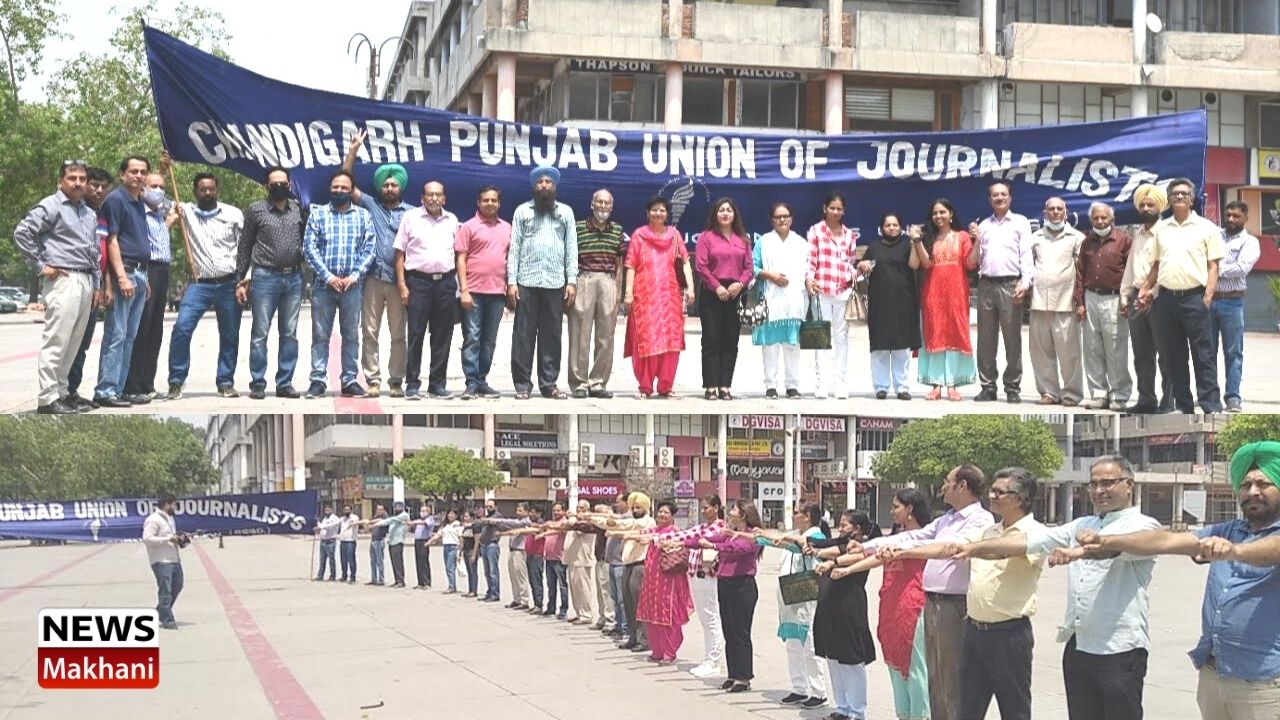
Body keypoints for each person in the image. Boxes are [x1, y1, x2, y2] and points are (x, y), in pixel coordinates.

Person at [1077, 440, 1280, 720]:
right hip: (1215, 675)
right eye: (1246, 485)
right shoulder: (1230, 529)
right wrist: (1107, 540)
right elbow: (1166, 540)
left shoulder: (1241, 541)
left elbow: (1272, 549)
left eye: (1263, 484)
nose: (1253, 491)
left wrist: (1235, 551)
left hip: (1266, 683)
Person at [960, 456, 1161, 720]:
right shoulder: (1081, 525)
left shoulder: (1143, 525)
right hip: (1079, 644)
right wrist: (971, 548)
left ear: (1129, 485)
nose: (1099, 490)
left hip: (1119, 648)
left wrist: (1083, 550)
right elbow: (1027, 542)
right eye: (1094, 484)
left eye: (1108, 483)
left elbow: (1123, 546)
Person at [883, 469, 1046, 720]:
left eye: (1000, 492)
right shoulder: (989, 531)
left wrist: (971, 548)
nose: (992, 496)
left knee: (1014, 709)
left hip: (1009, 634)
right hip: (974, 630)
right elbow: (950, 547)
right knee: (966, 707)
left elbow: (1005, 550)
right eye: (992, 490)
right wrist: (900, 551)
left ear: (1020, 498)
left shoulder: (1035, 532)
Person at [858, 464, 995, 720]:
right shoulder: (947, 519)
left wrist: (903, 552)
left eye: (947, 481)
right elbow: (915, 537)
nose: (943, 486)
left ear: (962, 486)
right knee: (935, 680)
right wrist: (868, 546)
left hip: (954, 605)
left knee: (951, 678)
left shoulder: (980, 519)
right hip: (932, 603)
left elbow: (948, 548)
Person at [12, 160, 100, 414]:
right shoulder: (51, 205)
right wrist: (41, 266)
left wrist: (96, 284)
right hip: (64, 278)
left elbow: (93, 252)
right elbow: (22, 233)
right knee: (57, 341)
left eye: (82, 178)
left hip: (85, 280)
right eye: (72, 178)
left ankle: (62, 393)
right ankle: (47, 398)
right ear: (60, 181)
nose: (78, 183)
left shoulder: (88, 213)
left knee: (73, 343)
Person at [1135, 177, 1224, 413]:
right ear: (1169, 200)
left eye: (1184, 193)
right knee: (1174, 356)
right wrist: (1146, 289)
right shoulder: (1162, 229)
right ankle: (1184, 406)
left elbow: (1213, 266)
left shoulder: (1207, 228)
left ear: (1192, 199)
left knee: (1203, 355)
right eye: (1175, 194)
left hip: (1195, 299)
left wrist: (1207, 297)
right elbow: (1156, 265)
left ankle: (1211, 405)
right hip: (1166, 300)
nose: (1180, 197)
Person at [344, 131, 413, 398]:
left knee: (398, 334)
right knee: (370, 332)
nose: (390, 188)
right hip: (372, 278)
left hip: (399, 281)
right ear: (380, 188)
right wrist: (353, 151)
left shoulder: (412, 213)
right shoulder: (370, 204)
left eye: (394, 185)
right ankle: (372, 380)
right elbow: (345, 184)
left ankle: (396, 381)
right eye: (386, 185)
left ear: (401, 187)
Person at [166, 172, 245, 399]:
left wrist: (244, 280)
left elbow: (244, 250)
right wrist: (163, 167)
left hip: (229, 283)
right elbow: (154, 195)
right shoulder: (185, 210)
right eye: (203, 189)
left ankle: (225, 382)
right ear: (195, 192)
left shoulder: (233, 214)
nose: (207, 193)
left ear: (217, 190)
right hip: (199, 284)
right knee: (182, 328)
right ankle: (176, 380)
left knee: (229, 335)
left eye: (211, 189)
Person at [303, 169, 375, 399]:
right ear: (329, 189)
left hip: (352, 286)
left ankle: (349, 380)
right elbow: (309, 248)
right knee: (320, 335)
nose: (339, 191)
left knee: (351, 335)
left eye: (344, 187)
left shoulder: (363, 216)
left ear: (351, 190)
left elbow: (369, 249)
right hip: (324, 286)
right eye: (335, 187)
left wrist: (354, 276)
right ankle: (317, 381)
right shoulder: (318, 215)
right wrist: (328, 277)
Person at [508, 165, 578, 399]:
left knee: (552, 336)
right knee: (523, 336)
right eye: (540, 182)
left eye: (548, 182)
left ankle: (549, 385)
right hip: (526, 281)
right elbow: (514, 248)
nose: (544, 185)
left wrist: (571, 281)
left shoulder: (565, 212)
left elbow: (571, 248)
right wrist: (512, 282)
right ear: (534, 186)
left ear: (555, 187)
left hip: (555, 282)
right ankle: (522, 385)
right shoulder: (522, 211)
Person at [236, 165, 306, 400]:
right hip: (265, 277)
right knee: (260, 332)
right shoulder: (255, 210)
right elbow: (245, 246)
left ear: (289, 185)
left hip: (294, 278)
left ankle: (284, 383)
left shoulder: (298, 209)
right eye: (274, 183)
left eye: (282, 183)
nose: (278, 187)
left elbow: (306, 240)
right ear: (266, 185)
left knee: (289, 333)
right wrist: (241, 279)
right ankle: (258, 382)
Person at [755, 504, 830, 709]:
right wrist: (754, 535)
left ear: (807, 516)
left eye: (797, 513)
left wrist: (772, 537)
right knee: (793, 645)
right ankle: (799, 688)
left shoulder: (816, 537)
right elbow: (776, 541)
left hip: (807, 598)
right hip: (791, 596)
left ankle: (819, 691)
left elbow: (794, 546)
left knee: (810, 645)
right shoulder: (796, 535)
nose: (793, 515)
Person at [93, 156, 154, 408]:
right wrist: (120, 277)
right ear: (122, 174)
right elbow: (112, 241)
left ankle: (119, 389)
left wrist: (144, 277)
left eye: (143, 172)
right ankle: (105, 390)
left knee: (129, 336)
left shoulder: (139, 202)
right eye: (133, 171)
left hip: (140, 274)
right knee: (116, 335)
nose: (139, 176)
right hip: (125, 273)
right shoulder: (116, 200)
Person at [809, 511, 883, 720]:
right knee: (833, 658)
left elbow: (852, 555)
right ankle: (843, 708)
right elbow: (821, 544)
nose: (840, 529)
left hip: (849, 608)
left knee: (851, 661)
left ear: (857, 528)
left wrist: (831, 561)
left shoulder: (862, 546)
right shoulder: (841, 542)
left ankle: (857, 711)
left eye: (844, 525)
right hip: (829, 609)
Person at [970, 181, 1035, 403]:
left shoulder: (1020, 222)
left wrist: (1025, 282)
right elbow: (976, 259)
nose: (999, 198)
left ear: (1010, 198)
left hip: (1011, 285)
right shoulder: (983, 226)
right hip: (986, 285)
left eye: (1003, 194)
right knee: (985, 339)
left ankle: (1012, 386)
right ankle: (988, 386)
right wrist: (976, 239)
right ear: (990, 200)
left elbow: (1026, 255)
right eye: (995, 195)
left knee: (1012, 339)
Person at [623, 196, 694, 398]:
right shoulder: (639, 235)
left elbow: (685, 262)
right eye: (654, 210)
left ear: (667, 214)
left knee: (671, 340)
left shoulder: (674, 235)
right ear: (648, 213)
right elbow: (631, 265)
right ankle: (645, 387)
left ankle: (666, 386)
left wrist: (690, 287)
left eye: (662, 210)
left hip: (670, 297)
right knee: (647, 340)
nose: (658, 213)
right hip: (644, 296)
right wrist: (628, 293)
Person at [394, 181, 460, 399]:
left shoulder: (452, 220)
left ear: (444, 198)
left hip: (446, 283)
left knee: (443, 335)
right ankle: (412, 384)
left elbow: (459, 254)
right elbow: (399, 253)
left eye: (438, 195)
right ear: (422, 198)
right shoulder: (411, 218)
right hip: (418, 283)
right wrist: (402, 285)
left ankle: (437, 385)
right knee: (416, 333)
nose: (434, 198)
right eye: (430, 195)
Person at [910, 199, 979, 401]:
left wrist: (978, 241)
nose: (938, 216)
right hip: (933, 295)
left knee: (955, 335)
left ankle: (953, 384)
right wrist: (917, 241)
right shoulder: (929, 237)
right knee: (935, 334)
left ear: (951, 214)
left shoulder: (962, 236)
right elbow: (926, 264)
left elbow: (970, 263)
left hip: (957, 294)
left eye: (942, 212)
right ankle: (936, 384)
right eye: (935, 213)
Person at [695, 498, 762, 694]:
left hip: (743, 586)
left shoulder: (752, 535)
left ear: (743, 514)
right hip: (725, 584)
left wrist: (712, 546)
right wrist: (680, 542)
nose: (730, 511)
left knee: (741, 632)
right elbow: (708, 540)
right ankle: (733, 674)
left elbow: (739, 549)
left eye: (734, 508)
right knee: (729, 631)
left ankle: (744, 677)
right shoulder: (729, 533)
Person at [656, 494, 727, 678]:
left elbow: (695, 539)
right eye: (702, 508)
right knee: (705, 620)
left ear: (716, 508)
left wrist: (677, 541)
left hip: (708, 576)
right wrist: (668, 539)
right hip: (696, 575)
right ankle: (709, 658)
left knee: (711, 618)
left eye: (706, 508)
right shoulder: (703, 526)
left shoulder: (720, 527)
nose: (703, 511)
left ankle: (713, 660)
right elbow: (685, 534)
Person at [124, 165, 177, 403]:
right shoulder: (138, 212)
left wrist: (165, 169)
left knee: (155, 330)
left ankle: (148, 382)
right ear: (143, 188)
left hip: (163, 271)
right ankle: (132, 383)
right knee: (142, 328)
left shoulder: (159, 214)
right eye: (153, 186)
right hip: (147, 269)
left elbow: (172, 205)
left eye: (162, 187)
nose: (158, 190)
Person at [1120, 184, 1174, 413]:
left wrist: (1151, 293)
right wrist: (1125, 297)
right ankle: (1146, 400)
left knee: (1167, 354)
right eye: (1142, 205)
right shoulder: (1139, 234)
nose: (1145, 208)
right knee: (1142, 354)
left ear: (1160, 207)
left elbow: (1167, 268)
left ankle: (1168, 401)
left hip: (1160, 298)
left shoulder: (1168, 232)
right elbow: (1130, 268)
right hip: (1136, 298)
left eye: (1150, 204)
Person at [568, 189, 627, 398]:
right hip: (584, 278)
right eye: (599, 202)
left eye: (607, 203)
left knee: (606, 336)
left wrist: (618, 292)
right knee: (579, 334)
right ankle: (579, 383)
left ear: (612, 207)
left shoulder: (617, 230)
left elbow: (620, 264)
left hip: (608, 281)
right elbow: (570, 258)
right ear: (592, 204)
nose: (603, 206)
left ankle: (598, 382)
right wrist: (570, 284)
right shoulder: (578, 227)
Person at [1075, 201, 1133, 410]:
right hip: (1091, 297)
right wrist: (1080, 302)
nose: (1100, 221)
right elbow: (1080, 273)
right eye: (1096, 218)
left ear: (1112, 219)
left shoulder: (1124, 241)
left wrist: (1127, 299)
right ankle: (1098, 394)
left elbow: (1131, 272)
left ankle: (1119, 395)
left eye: (1104, 217)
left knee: (1115, 349)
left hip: (1114, 300)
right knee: (1092, 349)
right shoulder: (1087, 242)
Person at [694, 197, 753, 400]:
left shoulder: (743, 239)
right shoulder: (706, 237)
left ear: (734, 214)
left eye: (729, 210)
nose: (725, 213)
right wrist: (717, 286)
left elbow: (749, 268)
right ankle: (711, 385)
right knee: (711, 339)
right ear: (715, 214)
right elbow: (701, 266)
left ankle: (725, 385)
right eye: (721, 210)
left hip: (735, 293)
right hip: (712, 293)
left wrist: (740, 284)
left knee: (730, 340)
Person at [1028, 196, 1085, 407]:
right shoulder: (1035, 238)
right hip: (1039, 303)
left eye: (1059, 209)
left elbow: (1082, 271)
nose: (1055, 212)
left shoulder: (1077, 237)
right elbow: (1027, 267)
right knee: (1040, 353)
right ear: (1044, 213)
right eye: (1051, 209)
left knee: (1069, 353)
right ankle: (1049, 392)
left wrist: (1080, 301)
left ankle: (1071, 394)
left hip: (1065, 303)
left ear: (1066, 212)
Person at [454, 185, 510, 399]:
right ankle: (471, 383)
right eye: (485, 200)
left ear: (499, 203)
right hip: (473, 292)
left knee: (489, 340)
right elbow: (461, 260)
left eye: (494, 200)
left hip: (497, 293)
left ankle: (481, 380)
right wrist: (464, 290)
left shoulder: (507, 228)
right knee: (472, 338)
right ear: (478, 202)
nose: (490, 203)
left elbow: (510, 260)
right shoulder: (468, 227)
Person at [65, 167, 114, 411]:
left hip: (94, 286)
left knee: (83, 343)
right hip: (72, 282)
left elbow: (102, 255)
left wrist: (104, 286)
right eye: (94, 184)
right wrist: (44, 266)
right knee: (66, 342)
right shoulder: (73, 211)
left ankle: (71, 391)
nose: (99, 190)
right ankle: (59, 393)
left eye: (104, 186)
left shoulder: (101, 215)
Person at [859, 212, 921, 401]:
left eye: (895, 225)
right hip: (879, 303)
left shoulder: (907, 244)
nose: (891, 228)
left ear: (901, 227)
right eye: (888, 225)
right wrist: (862, 264)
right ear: (881, 228)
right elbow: (862, 266)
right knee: (880, 347)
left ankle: (902, 387)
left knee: (902, 348)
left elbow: (914, 264)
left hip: (904, 302)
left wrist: (914, 243)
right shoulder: (874, 246)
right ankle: (881, 387)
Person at [754, 202, 810, 399]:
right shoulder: (763, 242)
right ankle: (770, 385)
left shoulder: (801, 243)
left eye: (785, 216)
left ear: (791, 219)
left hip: (795, 301)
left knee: (792, 345)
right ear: (772, 220)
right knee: (770, 346)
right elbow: (753, 267)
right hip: (771, 301)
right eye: (778, 217)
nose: (782, 219)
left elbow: (809, 269)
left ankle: (792, 386)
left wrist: (810, 281)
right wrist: (771, 276)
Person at [805, 194, 857, 399]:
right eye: (832, 208)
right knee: (820, 337)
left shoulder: (850, 234)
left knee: (841, 337)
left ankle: (841, 384)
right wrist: (809, 279)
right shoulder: (815, 230)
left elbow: (850, 261)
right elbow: (811, 260)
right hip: (821, 289)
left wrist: (854, 275)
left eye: (839, 209)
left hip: (843, 290)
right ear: (824, 208)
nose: (835, 212)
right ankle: (821, 384)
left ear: (844, 211)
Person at [590, 492, 656, 651]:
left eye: (638, 507)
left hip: (639, 565)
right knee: (628, 603)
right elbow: (619, 525)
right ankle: (632, 637)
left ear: (645, 507)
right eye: (633, 507)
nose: (635, 510)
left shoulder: (647, 521)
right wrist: (593, 518)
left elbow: (627, 525)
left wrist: (612, 526)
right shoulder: (633, 521)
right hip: (627, 565)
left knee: (639, 604)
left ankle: (644, 640)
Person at [1211, 201, 1260, 413]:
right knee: (1206, 352)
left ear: (1245, 218)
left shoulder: (1250, 242)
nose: (1230, 219)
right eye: (1228, 215)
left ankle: (1232, 397)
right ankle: (1210, 396)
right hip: (1208, 300)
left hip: (1232, 302)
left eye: (1236, 216)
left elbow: (1241, 268)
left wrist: (1213, 269)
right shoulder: (1214, 236)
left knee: (1233, 352)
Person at [631, 499, 693, 664]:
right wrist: (619, 533)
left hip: (668, 580)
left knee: (667, 614)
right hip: (652, 580)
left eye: (666, 512)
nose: (662, 514)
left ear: (672, 516)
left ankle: (669, 652)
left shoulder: (674, 532)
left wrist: (651, 539)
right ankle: (657, 651)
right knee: (652, 615)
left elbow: (656, 538)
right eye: (660, 511)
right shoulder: (655, 529)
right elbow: (642, 534)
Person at [142, 494, 188, 630]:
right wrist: (168, 539)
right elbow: (147, 538)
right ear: (167, 504)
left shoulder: (169, 519)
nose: (175, 508)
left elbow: (171, 537)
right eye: (174, 505)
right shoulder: (153, 520)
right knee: (165, 590)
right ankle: (167, 619)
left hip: (174, 559)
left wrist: (179, 539)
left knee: (178, 585)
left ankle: (160, 611)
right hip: (161, 561)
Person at [478, 502, 534, 608]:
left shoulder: (526, 522)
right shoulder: (517, 521)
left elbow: (508, 522)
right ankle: (517, 599)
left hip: (520, 551)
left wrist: (493, 521)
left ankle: (524, 600)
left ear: (527, 512)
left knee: (520, 576)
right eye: (517, 510)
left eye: (520, 510)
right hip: (512, 550)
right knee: (513, 576)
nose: (518, 512)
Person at [368, 502, 410, 588]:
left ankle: (401, 581)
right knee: (394, 562)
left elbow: (390, 521)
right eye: (396, 507)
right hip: (392, 542)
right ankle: (397, 580)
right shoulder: (395, 516)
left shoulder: (404, 515)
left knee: (398, 562)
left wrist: (377, 524)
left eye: (399, 507)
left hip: (398, 541)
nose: (397, 508)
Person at [476, 499, 505, 602]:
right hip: (484, 545)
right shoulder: (487, 516)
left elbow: (492, 522)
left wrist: (483, 520)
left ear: (495, 507)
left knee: (493, 571)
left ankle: (495, 594)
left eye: (490, 507)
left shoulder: (497, 516)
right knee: (487, 572)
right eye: (487, 507)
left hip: (492, 545)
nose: (488, 508)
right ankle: (490, 591)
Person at [427, 508, 462, 593]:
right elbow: (438, 535)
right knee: (447, 567)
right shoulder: (445, 525)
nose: (450, 516)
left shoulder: (457, 525)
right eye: (449, 514)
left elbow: (461, 538)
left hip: (453, 547)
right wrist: (429, 541)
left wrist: (460, 551)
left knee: (450, 567)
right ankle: (452, 585)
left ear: (456, 516)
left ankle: (452, 587)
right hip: (446, 547)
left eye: (452, 514)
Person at [409, 503, 437, 589]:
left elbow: (424, 523)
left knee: (424, 561)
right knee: (418, 561)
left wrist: (413, 522)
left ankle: (426, 582)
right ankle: (420, 582)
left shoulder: (430, 519)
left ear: (429, 512)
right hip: (417, 541)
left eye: (425, 511)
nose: (423, 512)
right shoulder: (419, 519)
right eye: (421, 511)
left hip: (425, 541)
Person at [314, 504, 340, 581]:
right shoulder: (324, 519)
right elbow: (321, 526)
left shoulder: (335, 518)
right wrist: (317, 524)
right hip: (323, 541)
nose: (327, 511)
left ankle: (332, 576)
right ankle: (320, 575)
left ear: (332, 510)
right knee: (322, 560)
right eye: (326, 510)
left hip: (330, 541)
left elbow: (330, 526)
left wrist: (320, 527)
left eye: (328, 510)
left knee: (331, 560)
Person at [366, 503, 388, 586]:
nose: (379, 511)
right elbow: (369, 523)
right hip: (373, 540)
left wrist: (370, 523)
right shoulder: (375, 516)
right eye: (378, 509)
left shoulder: (385, 516)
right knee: (373, 561)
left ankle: (381, 579)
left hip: (379, 540)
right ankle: (374, 579)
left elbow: (379, 521)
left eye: (381, 509)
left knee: (379, 561)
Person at [460, 510, 479, 597]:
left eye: (467, 516)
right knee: (469, 571)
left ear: (471, 517)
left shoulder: (474, 527)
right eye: (464, 516)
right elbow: (463, 541)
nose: (465, 518)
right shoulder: (466, 528)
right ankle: (470, 589)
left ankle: (474, 590)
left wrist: (474, 554)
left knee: (473, 571)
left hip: (471, 550)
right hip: (466, 550)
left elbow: (477, 541)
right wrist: (460, 552)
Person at [338, 505, 360, 583]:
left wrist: (352, 524)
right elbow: (334, 523)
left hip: (350, 541)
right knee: (343, 560)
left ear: (351, 510)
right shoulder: (342, 519)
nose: (346, 511)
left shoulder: (354, 517)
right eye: (345, 510)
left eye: (348, 510)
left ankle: (353, 576)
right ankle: (344, 575)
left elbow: (354, 523)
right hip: (343, 541)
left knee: (351, 559)